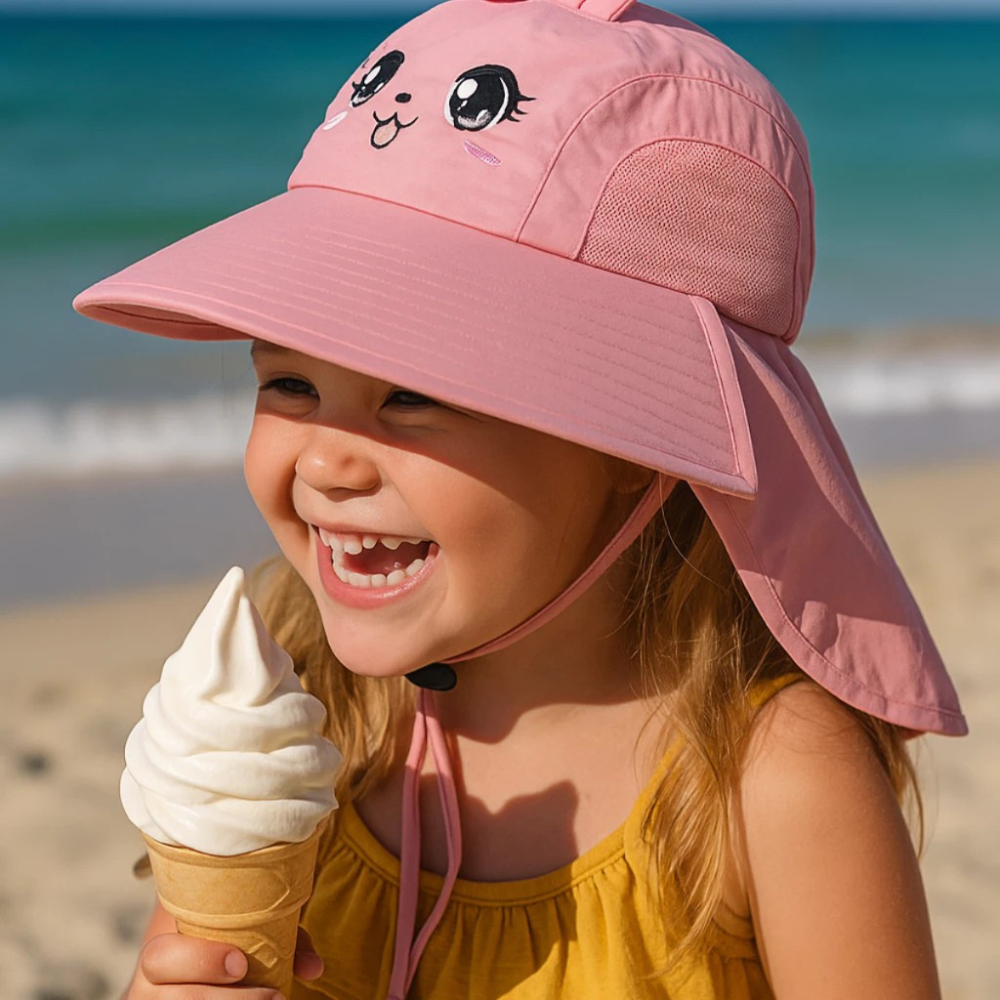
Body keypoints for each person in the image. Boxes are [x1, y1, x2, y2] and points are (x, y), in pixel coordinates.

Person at [74, 1, 966, 997]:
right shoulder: (293, 707)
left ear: (636, 443)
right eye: (287, 382)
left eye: (412, 395)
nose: (328, 460)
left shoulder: (774, 778)